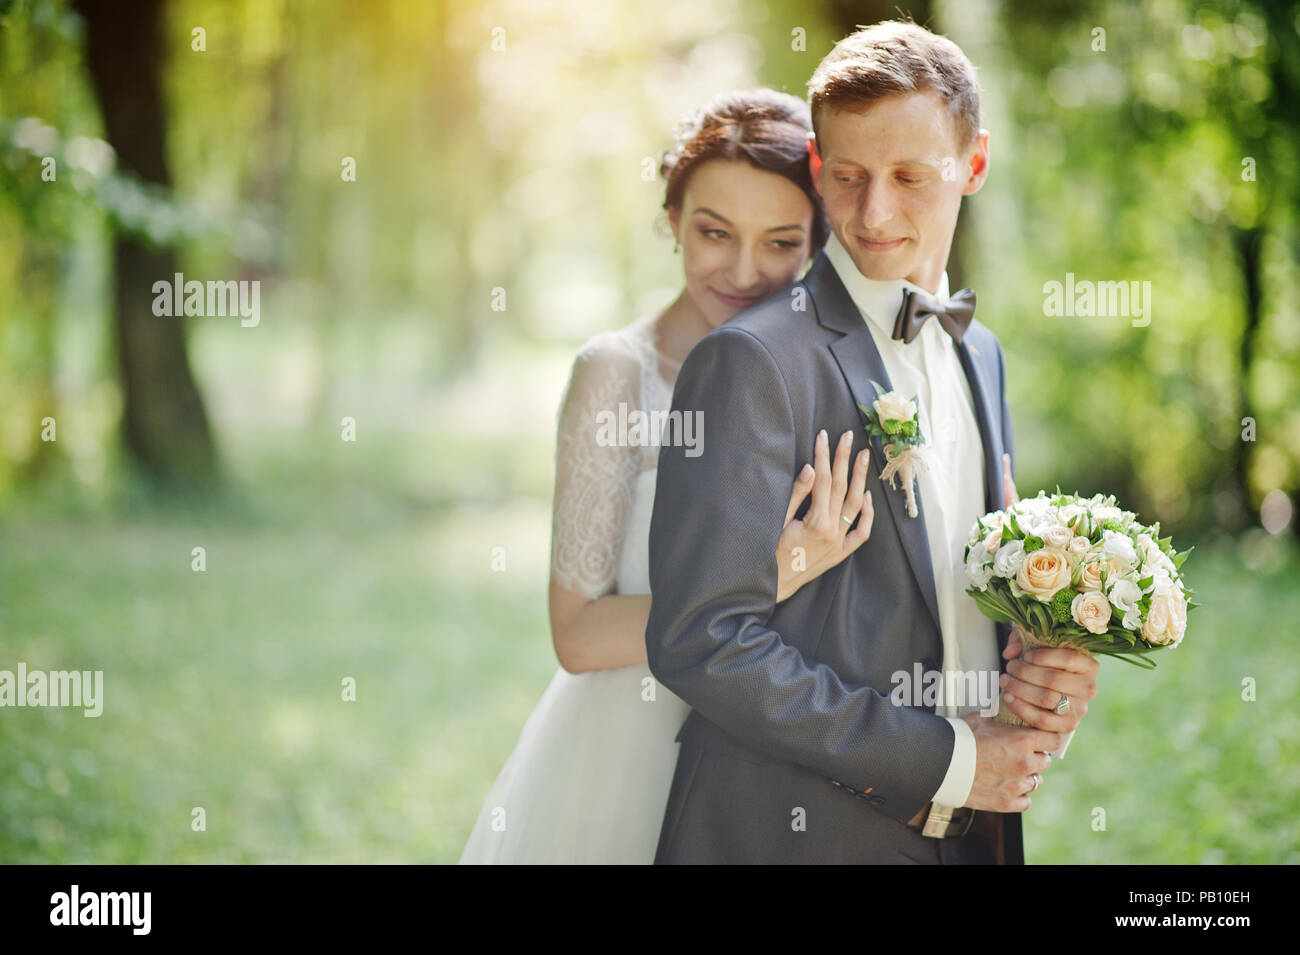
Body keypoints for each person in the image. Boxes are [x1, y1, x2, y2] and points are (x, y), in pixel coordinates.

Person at [646, 20, 1101, 864]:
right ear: (817, 170)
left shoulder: (980, 351)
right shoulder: (748, 362)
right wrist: (952, 759)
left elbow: (953, 587)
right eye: (848, 177)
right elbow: (700, 639)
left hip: (975, 838)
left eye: (909, 177)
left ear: (976, 164)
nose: (874, 212)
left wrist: (1045, 653)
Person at [459, 89, 869, 864]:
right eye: (714, 232)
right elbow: (576, 633)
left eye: (781, 242)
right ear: (672, 219)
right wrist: (768, 574)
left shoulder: (826, 372)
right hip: (631, 740)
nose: (744, 271)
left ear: (817, 241)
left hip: (776, 745)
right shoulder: (618, 373)